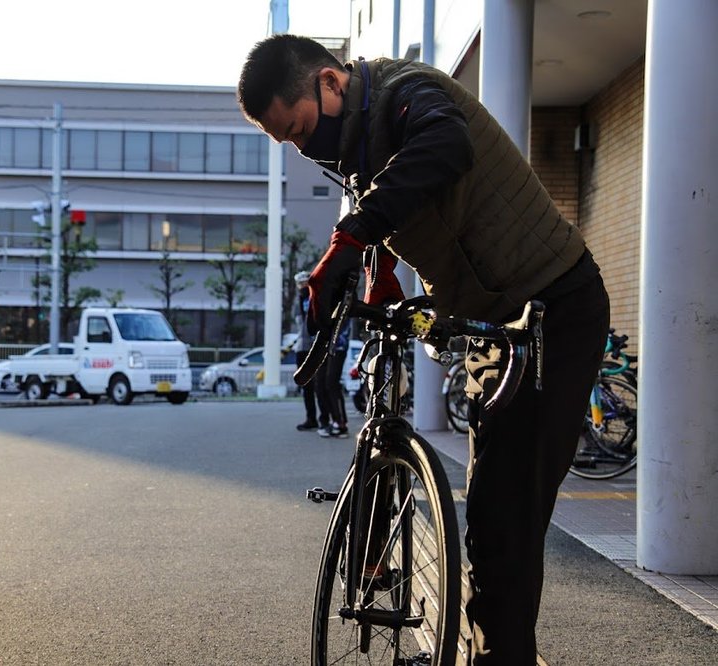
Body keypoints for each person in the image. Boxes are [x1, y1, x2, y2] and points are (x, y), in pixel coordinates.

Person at [237, 35, 609, 665]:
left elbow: (444, 149)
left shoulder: (408, 92)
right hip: (499, 319)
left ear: (330, 82)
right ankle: (488, 648)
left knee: (507, 523)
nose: (305, 149)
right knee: (491, 514)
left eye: (301, 130)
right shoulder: (357, 150)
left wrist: (350, 238)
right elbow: (398, 205)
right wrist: (377, 267)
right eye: (291, 144)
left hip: (555, 306)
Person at [292, 270, 324, 431]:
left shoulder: (315, 299)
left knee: (320, 385)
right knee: (306, 386)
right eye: (300, 284)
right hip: (301, 346)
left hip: (315, 345)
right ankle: (310, 418)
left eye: (306, 283)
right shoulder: (297, 301)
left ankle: (324, 418)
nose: (303, 286)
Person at [314, 318, 350, 438]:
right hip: (321, 345)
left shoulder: (340, 299)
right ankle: (327, 421)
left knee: (331, 382)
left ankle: (340, 423)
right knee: (320, 384)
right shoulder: (307, 299)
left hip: (338, 345)